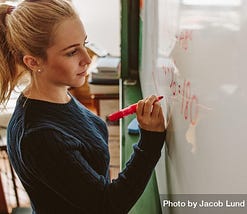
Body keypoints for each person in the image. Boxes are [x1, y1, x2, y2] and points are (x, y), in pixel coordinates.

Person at [0, 0, 166, 213]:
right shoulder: (39, 136)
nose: (87, 59)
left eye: (84, 44)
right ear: (34, 62)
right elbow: (108, 206)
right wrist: (150, 142)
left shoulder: (57, 95)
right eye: (71, 52)